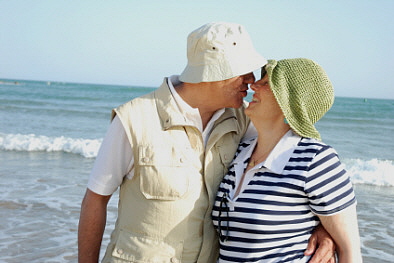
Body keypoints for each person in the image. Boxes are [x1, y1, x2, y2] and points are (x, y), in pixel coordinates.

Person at [78, 23, 336, 263]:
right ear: (212, 72)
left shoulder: (245, 121)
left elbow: (301, 168)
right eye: (242, 71)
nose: (251, 79)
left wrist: (325, 228)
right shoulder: (134, 119)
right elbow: (95, 200)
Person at [212, 58, 363, 262]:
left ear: (289, 103)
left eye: (266, 83)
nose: (254, 85)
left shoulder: (316, 160)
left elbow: (350, 251)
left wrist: (328, 232)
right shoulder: (240, 151)